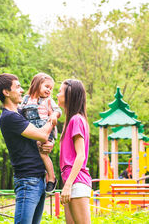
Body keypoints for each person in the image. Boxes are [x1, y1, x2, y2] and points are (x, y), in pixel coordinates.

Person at [0, 73, 55, 224]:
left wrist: (49, 144)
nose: (21, 90)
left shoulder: (20, 113)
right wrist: (52, 120)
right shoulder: (9, 117)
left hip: (39, 178)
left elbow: (40, 138)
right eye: (17, 87)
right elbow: (41, 134)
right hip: (27, 180)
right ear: (6, 92)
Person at [20, 73, 62, 193]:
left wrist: (54, 115)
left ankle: (52, 178)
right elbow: (20, 111)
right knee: (34, 153)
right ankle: (42, 174)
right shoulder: (26, 99)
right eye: (46, 86)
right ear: (37, 84)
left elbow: (58, 110)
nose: (49, 90)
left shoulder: (48, 101)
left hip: (44, 129)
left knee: (43, 153)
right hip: (31, 130)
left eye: (51, 88)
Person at [57, 79, 92, 224]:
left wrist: (68, 185)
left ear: (69, 95)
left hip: (76, 182)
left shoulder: (76, 119)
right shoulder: (70, 120)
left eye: (60, 91)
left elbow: (81, 155)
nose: (57, 94)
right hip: (71, 181)